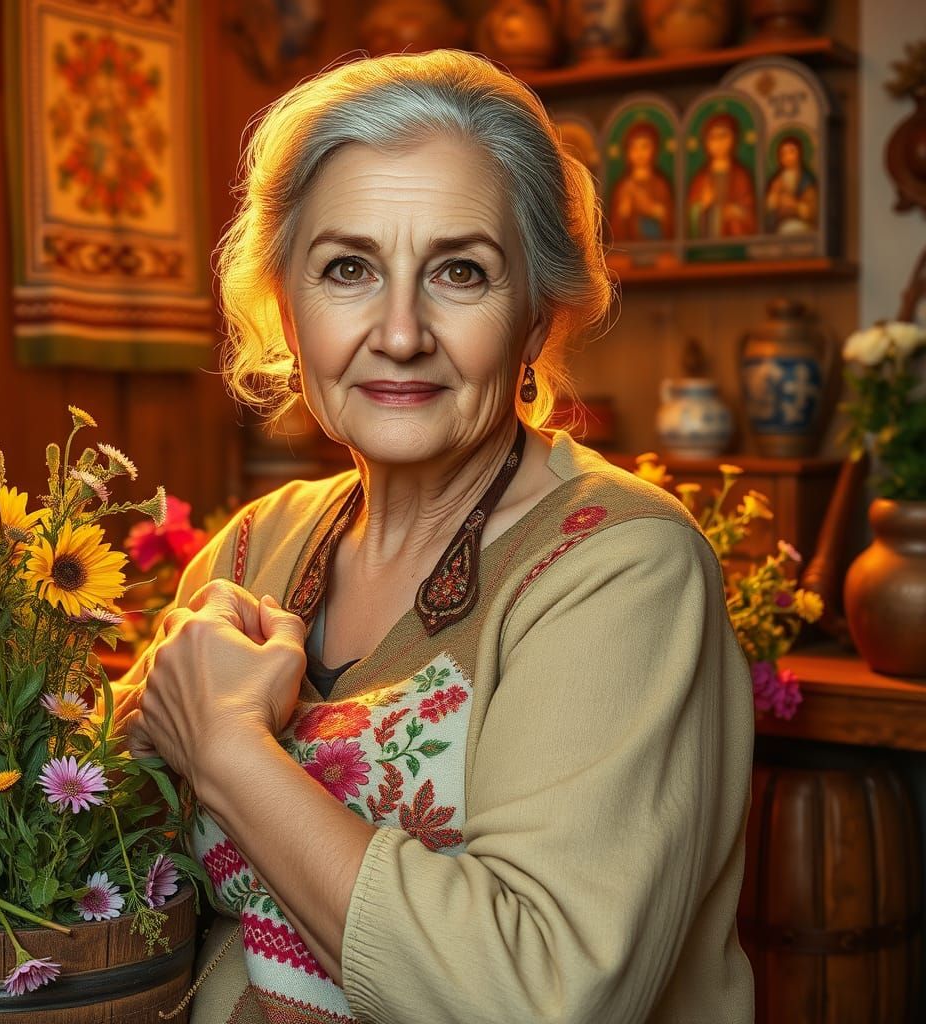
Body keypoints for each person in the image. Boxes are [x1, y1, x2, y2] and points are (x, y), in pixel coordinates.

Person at [114, 49, 756, 1024]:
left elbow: (538, 995)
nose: (401, 330)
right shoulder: (254, 550)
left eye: (460, 271)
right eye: (348, 269)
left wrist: (229, 749)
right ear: (287, 305)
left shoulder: (620, 564)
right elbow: (106, 865)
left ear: (537, 313)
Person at [686, 111, 757, 239]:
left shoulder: (741, 176)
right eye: (713, 138)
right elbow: (690, 215)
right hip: (706, 238)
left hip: (732, 239)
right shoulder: (701, 178)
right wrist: (702, 205)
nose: (718, 143)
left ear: (733, 139)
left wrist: (732, 211)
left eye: (723, 136)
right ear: (706, 142)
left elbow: (749, 212)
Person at [609, 120, 675, 242]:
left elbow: (670, 220)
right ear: (628, 152)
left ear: (654, 149)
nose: (639, 153)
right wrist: (624, 212)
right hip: (630, 248)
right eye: (634, 148)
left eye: (644, 147)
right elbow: (615, 226)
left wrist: (652, 209)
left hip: (657, 247)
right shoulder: (623, 187)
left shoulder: (660, 184)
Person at [765, 135, 818, 235]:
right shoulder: (775, 180)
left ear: (800, 153)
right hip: (779, 226)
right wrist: (774, 196)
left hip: (803, 226)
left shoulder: (807, 180)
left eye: (791, 152)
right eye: (783, 153)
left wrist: (794, 204)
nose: (788, 157)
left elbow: (813, 211)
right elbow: (768, 209)